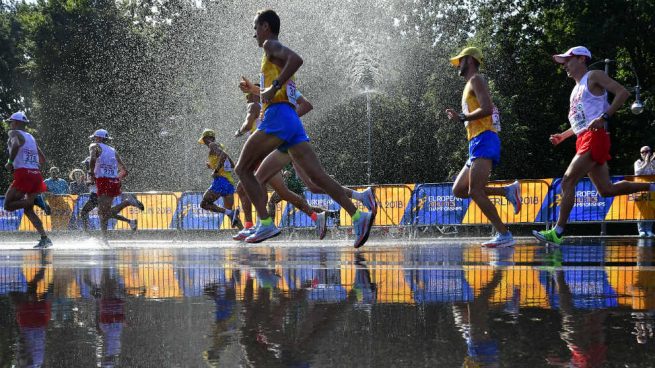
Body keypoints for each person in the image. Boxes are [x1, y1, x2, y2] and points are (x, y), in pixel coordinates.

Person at [235, 9, 375, 246]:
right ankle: (358, 215)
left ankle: (265, 224)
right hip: (290, 119)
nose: (254, 34)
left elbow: (296, 60)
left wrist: (274, 85)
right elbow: (274, 91)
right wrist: (256, 90)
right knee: (317, 177)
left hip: (278, 117)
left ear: (266, 26)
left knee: (242, 170)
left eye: (256, 28)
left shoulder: (270, 44)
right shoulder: (271, 54)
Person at [533, 46, 655, 245]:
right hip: (584, 137)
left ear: (582, 59)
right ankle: (652, 186)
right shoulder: (575, 89)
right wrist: (563, 136)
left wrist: (605, 116)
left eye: (568, 60)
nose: (565, 65)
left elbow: (622, 93)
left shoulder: (594, 75)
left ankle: (557, 232)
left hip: (595, 137)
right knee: (606, 190)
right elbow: (580, 123)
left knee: (567, 181)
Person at [445, 47, 521, 248]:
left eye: (460, 61)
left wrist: (463, 117)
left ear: (469, 60)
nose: (457, 66)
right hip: (476, 141)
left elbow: (487, 108)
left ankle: (504, 234)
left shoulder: (476, 80)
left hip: (484, 138)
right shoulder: (469, 84)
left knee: (475, 191)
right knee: (459, 189)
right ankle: (506, 191)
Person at [3, 111, 53, 248]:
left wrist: (10, 162)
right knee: (28, 210)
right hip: (35, 174)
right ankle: (45, 238)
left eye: (11, 122)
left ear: (17, 123)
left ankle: (36, 200)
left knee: (7, 205)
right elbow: (43, 159)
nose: (10, 125)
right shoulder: (31, 137)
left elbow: (16, 145)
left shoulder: (14, 133)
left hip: (24, 174)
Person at [88, 129, 142, 241]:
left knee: (103, 213)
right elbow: (124, 171)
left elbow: (93, 158)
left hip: (103, 180)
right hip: (113, 181)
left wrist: (91, 173)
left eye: (95, 137)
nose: (94, 139)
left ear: (98, 138)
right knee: (103, 213)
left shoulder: (94, 146)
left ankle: (128, 202)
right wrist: (116, 178)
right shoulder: (113, 150)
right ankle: (104, 239)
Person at [79, 156, 143, 232]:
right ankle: (130, 220)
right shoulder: (95, 170)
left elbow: (95, 182)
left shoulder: (95, 170)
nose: (86, 166)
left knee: (84, 213)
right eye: (86, 164)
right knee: (106, 214)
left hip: (97, 195)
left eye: (87, 164)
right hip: (99, 194)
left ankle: (87, 233)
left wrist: (87, 182)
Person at [198, 129, 243, 230]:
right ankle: (243, 231)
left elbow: (224, 156)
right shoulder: (219, 145)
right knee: (231, 215)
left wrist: (216, 170)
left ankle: (231, 213)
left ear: (207, 138)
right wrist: (212, 166)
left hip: (221, 181)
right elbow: (231, 164)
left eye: (204, 140)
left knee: (204, 204)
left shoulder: (212, 145)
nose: (204, 143)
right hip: (229, 182)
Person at [635, 145, 655, 237]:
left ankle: (649, 230)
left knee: (651, 208)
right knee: (641, 210)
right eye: (643, 152)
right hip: (639, 188)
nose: (645, 154)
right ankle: (641, 230)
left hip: (651, 189)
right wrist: (646, 163)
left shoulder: (653, 162)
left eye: (647, 151)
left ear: (650, 152)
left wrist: (650, 163)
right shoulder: (638, 162)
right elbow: (638, 172)